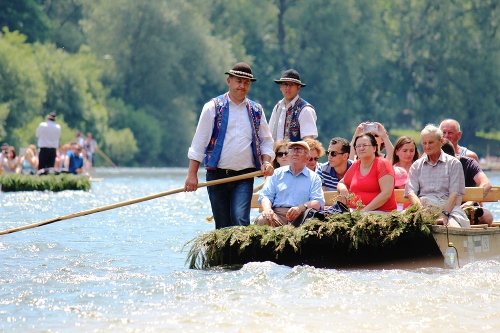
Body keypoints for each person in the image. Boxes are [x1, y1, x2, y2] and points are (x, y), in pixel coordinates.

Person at [184, 62, 275, 229]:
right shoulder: (212, 107)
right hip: (217, 176)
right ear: (229, 81)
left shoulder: (256, 110)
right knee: (223, 226)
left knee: (240, 221)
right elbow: (199, 143)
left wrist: (267, 161)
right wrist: (192, 174)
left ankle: (242, 255)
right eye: (238, 81)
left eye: (246, 83)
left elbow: (266, 141)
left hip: (244, 177)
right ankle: (227, 255)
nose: (242, 86)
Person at [405, 125, 469, 228]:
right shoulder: (416, 165)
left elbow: (454, 194)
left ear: (441, 141)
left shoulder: (454, 164)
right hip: (421, 207)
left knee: (453, 229)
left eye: (431, 142)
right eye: (424, 143)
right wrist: (422, 212)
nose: (427, 146)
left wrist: (444, 215)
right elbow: (411, 192)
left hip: (449, 209)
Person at [255, 141, 324, 227]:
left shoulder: (314, 178)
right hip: (277, 215)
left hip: (301, 217)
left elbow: (318, 202)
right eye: (292, 150)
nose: (295, 153)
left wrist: (301, 208)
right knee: (263, 219)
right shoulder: (276, 174)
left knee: (311, 224)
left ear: (307, 157)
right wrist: (267, 209)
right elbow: (266, 196)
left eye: (299, 150)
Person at [337, 133, 397, 212]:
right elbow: (342, 183)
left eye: (365, 145)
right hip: (356, 211)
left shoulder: (382, 164)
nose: (361, 148)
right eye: (358, 146)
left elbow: (386, 193)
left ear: (374, 148)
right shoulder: (356, 165)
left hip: (380, 213)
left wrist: (364, 211)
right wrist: (343, 190)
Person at [441, 140, 493, 226]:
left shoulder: (469, 163)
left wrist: (471, 201)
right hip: (443, 207)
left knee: (487, 217)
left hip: (467, 208)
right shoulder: (430, 165)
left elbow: (486, 184)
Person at [268, 69, 317, 142]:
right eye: (285, 84)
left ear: (298, 88)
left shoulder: (305, 110)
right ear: (280, 87)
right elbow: (269, 135)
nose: (288, 88)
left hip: (296, 153)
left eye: (291, 85)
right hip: (275, 153)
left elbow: (308, 142)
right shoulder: (277, 107)